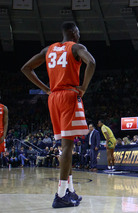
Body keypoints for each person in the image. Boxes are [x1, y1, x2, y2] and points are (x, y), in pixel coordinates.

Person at [21, 21, 95, 208]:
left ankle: (69, 190)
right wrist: (84, 87)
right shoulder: (76, 47)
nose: (79, 35)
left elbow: (26, 68)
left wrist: (46, 89)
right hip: (69, 95)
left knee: (65, 145)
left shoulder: (48, 50)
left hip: (53, 97)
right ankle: (60, 194)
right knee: (68, 146)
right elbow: (92, 62)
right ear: (72, 32)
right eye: (78, 31)